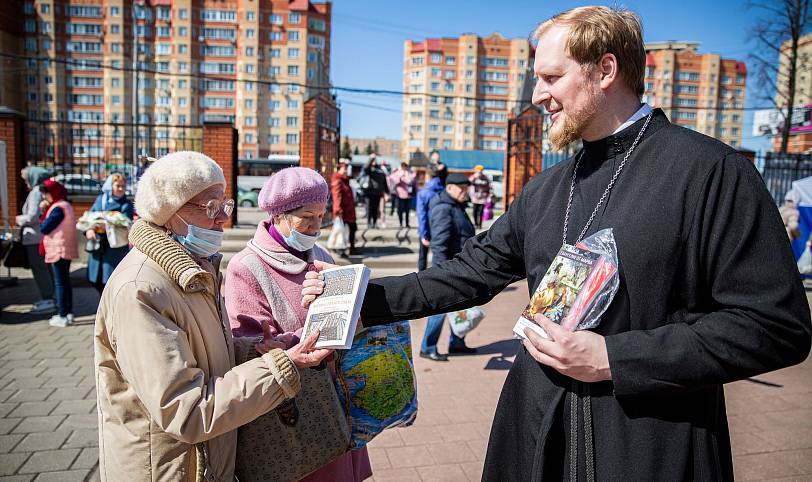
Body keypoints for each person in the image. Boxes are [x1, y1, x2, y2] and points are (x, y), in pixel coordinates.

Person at [304, 6, 812, 480]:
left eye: (551, 78)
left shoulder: (710, 173)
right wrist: (359, 298)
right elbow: (472, 271)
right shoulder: (549, 188)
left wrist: (615, 357)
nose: (536, 95)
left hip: (649, 445)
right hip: (535, 433)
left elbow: (774, 326)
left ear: (605, 70)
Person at [94, 151, 332, 482]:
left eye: (225, 205)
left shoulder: (195, 269)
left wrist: (253, 350)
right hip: (169, 470)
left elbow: (203, 354)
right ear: (169, 212)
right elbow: (187, 409)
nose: (223, 219)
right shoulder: (142, 289)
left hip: (202, 465)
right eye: (210, 208)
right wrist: (279, 368)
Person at [225, 167, 372, 482]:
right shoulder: (246, 266)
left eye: (321, 216)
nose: (316, 227)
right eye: (307, 218)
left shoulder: (319, 253)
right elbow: (248, 347)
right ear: (278, 215)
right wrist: (306, 335)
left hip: (335, 399)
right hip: (294, 413)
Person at [419, 173, 477, 361]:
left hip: (459, 267)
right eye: (461, 189)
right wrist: (441, 272)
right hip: (448, 268)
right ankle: (427, 347)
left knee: (460, 305)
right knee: (440, 310)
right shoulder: (444, 208)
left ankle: (457, 342)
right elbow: (440, 243)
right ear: (449, 188)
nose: (464, 192)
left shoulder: (456, 206)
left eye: (466, 189)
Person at [85, 173, 135, 293]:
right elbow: (90, 217)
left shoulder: (126, 204)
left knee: (111, 280)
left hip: (115, 248)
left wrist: (105, 223)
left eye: (123, 186)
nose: (121, 189)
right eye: (118, 186)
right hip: (98, 245)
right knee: (95, 279)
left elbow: (125, 223)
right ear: (110, 186)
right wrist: (90, 229)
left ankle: (110, 309)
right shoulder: (100, 200)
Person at [15, 167, 55, 314]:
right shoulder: (40, 190)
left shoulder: (36, 192)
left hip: (34, 237)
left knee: (40, 269)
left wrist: (19, 219)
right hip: (38, 236)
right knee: (44, 268)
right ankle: (48, 297)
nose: (26, 183)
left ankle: (47, 298)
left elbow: (32, 216)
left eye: (26, 179)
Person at [39, 179, 77, 328]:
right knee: (65, 282)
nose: (44, 197)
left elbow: (45, 228)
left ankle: (62, 315)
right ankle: (68, 313)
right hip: (65, 248)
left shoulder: (57, 208)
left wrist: (43, 212)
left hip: (59, 249)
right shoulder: (65, 205)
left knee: (60, 283)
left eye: (46, 194)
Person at [416, 163, 447, 272]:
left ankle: (420, 280)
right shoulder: (444, 190)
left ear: (427, 176)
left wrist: (424, 234)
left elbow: (422, 215)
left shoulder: (423, 193)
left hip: (428, 228)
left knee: (422, 257)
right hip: (442, 228)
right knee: (439, 257)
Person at [331, 161, 359, 256]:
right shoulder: (338, 180)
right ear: (339, 170)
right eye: (344, 169)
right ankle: (341, 249)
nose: (346, 171)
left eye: (347, 168)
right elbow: (337, 196)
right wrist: (338, 209)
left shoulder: (345, 180)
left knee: (352, 228)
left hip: (349, 210)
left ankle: (351, 248)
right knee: (342, 230)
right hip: (343, 211)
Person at [361, 154, 389, 229]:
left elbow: (384, 182)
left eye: (375, 161)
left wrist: (386, 192)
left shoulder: (380, 170)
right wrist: (370, 158)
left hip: (378, 193)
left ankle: (374, 223)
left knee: (375, 209)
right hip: (369, 192)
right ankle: (369, 223)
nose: (374, 162)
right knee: (369, 208)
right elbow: (365, 168)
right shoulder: (369, 170)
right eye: (372, 161)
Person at [389, 162, 417, 228]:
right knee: (400, 210)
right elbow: (393, 179)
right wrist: (400, 178)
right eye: (403, 166)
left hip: (408, 194)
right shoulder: (397, 173)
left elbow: (414, 182)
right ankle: (401, 223)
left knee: (407, 210)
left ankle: (407, 223)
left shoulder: (410, 173)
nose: (404, 167)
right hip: (399, 194)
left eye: (406, 166)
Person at [469, 165, 492, 229]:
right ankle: (476, 223)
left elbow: (489, 186)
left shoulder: (485, 177)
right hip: (475, 197)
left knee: (481, 211)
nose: (479, 172)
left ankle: (479, 225)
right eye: (478, 170)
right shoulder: (473, 177)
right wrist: (475, 177)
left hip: (483, 197)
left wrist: (489, 195)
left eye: (481, 170)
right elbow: (469, 183)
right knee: (474, 211)